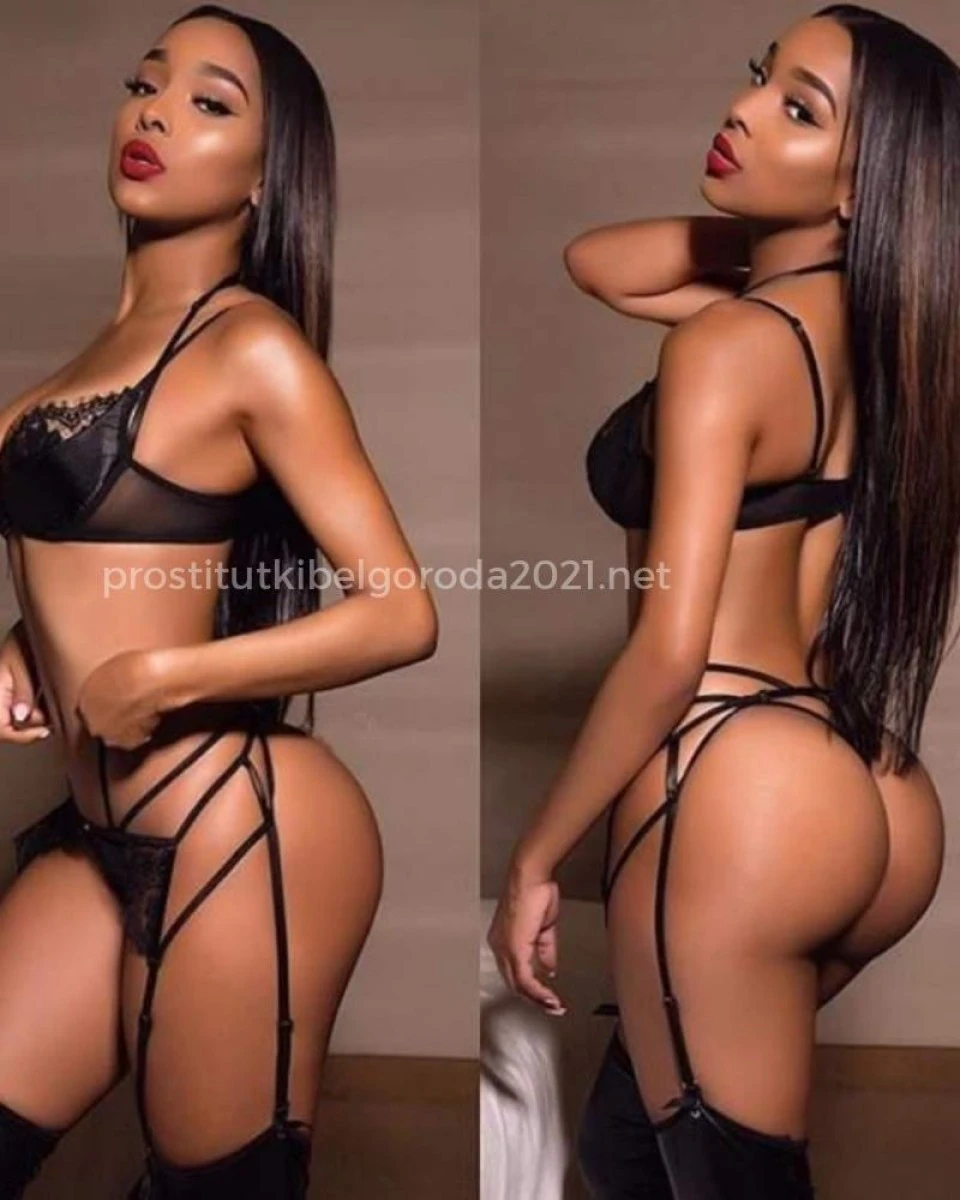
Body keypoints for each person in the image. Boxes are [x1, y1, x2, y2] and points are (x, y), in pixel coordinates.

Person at [487, 6, 957, 1197]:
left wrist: (537, 857)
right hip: (871, 785)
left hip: (730, 780)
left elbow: (670, 651)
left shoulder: (731, 346)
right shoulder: (890, 338)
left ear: (864, 186)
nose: (742, 110)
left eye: (799, 109)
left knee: (714, 1172)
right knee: (626, 1147)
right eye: (761, 78)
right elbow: (596, 260)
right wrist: (791, 221)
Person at [0, 6, 438, 1198]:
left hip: (235, 827)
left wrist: (164, 678)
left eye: (208, 102)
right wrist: (28, 641)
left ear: (264, 175)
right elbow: (129, 557)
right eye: (145, 83)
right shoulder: (108, 348)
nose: (153, 111)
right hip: (100, 836)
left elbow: (402, 611)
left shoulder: (251, 349)